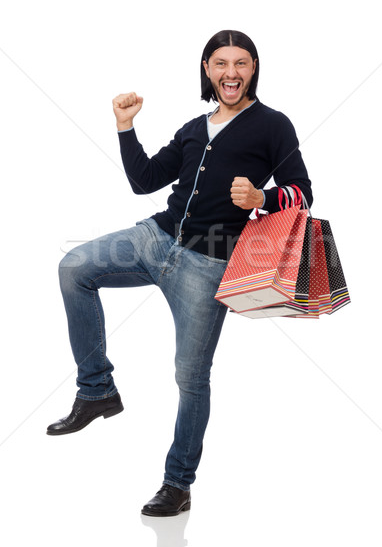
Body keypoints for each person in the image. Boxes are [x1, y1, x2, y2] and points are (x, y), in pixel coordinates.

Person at [47, 29, 313, 516]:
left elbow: (302, 192)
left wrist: (263, 199)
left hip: (209, 264)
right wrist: (125, 127)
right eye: (220, 63)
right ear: (207, 70)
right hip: (154, 239)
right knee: (74, 268)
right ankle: (97, 391)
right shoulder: (194, 127)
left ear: (253, 69)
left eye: (241, 63)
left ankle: (177, 484)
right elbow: (144, 180)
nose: (230, 72)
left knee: (190, 378)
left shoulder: (273, 125)